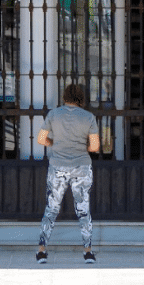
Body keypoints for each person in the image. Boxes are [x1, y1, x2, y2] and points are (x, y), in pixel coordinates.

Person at [35, 83, 100, 265]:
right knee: (83, 209)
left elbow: (41, 139)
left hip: (57, 166)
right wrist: (82, 147)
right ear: (81, 98)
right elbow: (94, 146)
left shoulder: (53, 114)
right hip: (81, 167)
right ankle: (88, 252)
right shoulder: (88, 117)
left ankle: (41, 250)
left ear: (65, 97)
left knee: (51, 208)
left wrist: (54, 144)